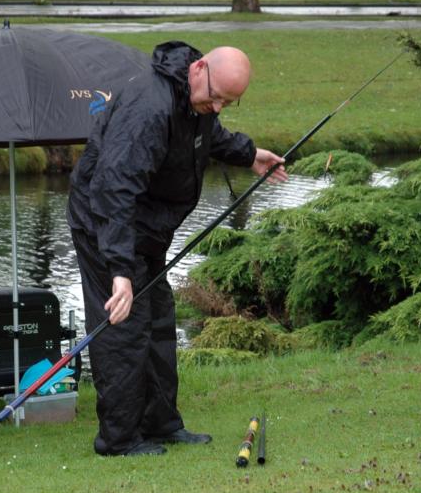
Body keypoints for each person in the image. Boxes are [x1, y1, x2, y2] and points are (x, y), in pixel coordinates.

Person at [67, 41, 288, 456]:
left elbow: (204, 139)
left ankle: (161, 423)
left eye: (229, 101)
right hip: (107, 224)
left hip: (146, 227)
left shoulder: (194, 100)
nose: (219, 107)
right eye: (216, 97)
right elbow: (113, 191)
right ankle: (119, 439)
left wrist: (249, 154)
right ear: (199, 69)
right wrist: (120, 270)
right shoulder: (149, 107)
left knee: (159, 320)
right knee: (124, 327)